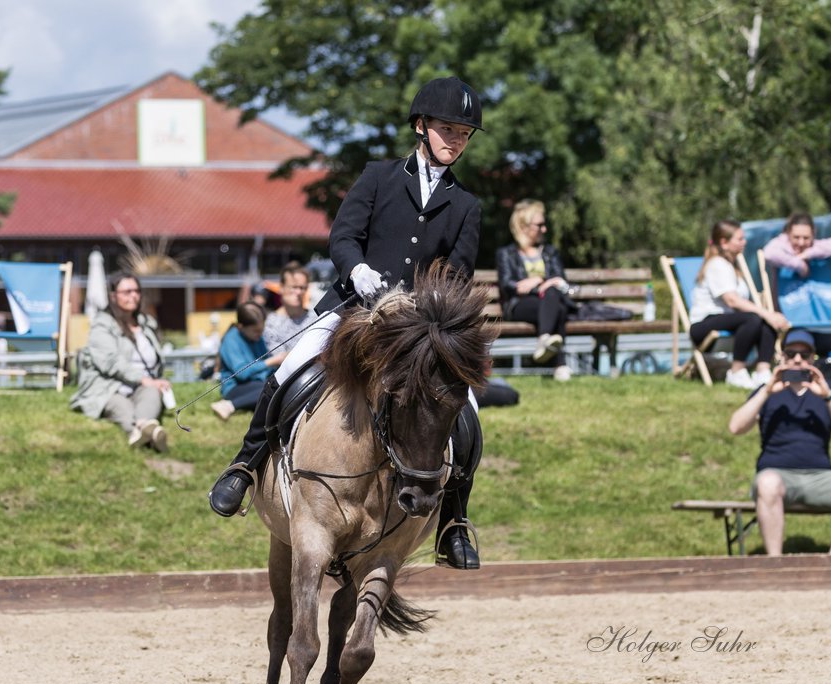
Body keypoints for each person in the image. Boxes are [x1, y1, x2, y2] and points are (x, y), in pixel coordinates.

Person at [207, 76, 486, 569]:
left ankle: (454, 522)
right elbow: (343, 237)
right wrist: (357, 270)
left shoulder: (466, 206)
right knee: (289, 368)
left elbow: (458, 274)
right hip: (350, 308)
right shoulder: (379, 177)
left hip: (416, 332)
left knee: (465, 409)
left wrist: (420, 306)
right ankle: (244, 467)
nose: (456, 140)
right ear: (421, 127)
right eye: (448, 130)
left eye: (464, 134)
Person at [728, 329, 831, 555]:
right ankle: (775, 562)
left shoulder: (828, 390)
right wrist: (766, 392)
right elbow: (735, 427)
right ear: (781, 357)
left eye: (804, 355)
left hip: (819, 477)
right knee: (767, 484)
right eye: (791, 353)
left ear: (813, 358)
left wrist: (827, 396)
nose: (797, 359)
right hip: (777, 475)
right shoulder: (767, 391)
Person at [70, 272, 171, 452]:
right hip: (109, 386)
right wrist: (143, 379)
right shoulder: (102, 324)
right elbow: (110, 362)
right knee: (120, 405)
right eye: (127, 291)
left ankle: (144, 427)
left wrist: (152, 382)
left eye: (136, 291)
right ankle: (141, 433)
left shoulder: (146, 323)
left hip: (142, 386)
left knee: (152, 393)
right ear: (113, 296)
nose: (133, 295)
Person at [690, 220, 789, 389]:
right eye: (740, 239)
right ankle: (736, 372)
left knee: (763, 321)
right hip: (704, 327)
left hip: (730, 323)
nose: (744, 242)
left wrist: (767, 317)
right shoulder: (717, 265)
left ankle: (762, 372)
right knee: (754, 318)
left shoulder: (731, 267)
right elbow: (732, 301)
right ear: (724, 242)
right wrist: (767, 313)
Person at [494, 199, 575, 381]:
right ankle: (560, 364)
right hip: (519, 305)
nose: (544, 229)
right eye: (540, 225)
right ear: (523, 226)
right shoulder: (506, 254)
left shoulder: (550, 252)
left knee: (554, 298)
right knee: (557, 308)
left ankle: (544, 338)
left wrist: (537, 281)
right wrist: (541, 285)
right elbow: (508, 285)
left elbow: (560, 280)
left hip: (549, 301)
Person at [761, 213, 831, 365]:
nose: (801, 242)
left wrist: (808, 254)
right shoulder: (779, 247)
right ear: (787, 234)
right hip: (791, 319)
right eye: (796, 237)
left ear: (813, 235)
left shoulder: (816, 247)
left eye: (806, 238)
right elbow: (768, 253)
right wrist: (799, 265)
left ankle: (826, 366)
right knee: (799, 345)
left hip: (820, 319)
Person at [212, 303, 285, 421]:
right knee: (270, 388)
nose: (260, 334)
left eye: (261, 330)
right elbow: (241, 373)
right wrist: (271, 362)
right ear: (241, 327)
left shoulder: (256, 337)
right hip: (235, 388)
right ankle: (230, 405)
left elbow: (263, 363)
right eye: (256, 331)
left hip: (257, 383)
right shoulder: (231, 340)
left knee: (280, 384)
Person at [262, 261, 318, 356]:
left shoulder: (316, 318)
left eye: (302, 288)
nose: (298, 292)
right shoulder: (271, 323)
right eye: (294, 287)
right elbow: (279, 358)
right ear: (281, 287)